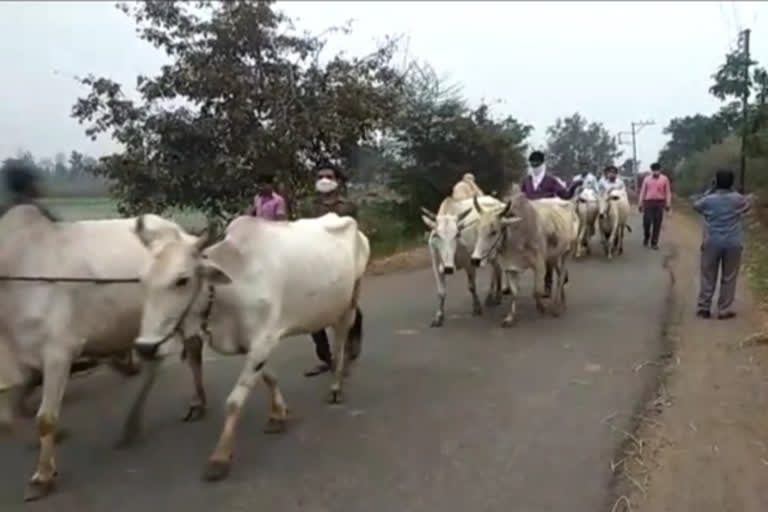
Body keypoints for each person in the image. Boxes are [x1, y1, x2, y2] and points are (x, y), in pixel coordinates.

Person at [298, 162, 360, 377]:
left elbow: (354, 235)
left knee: (348, 306)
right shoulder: (308, 207)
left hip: (342, 263)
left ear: (337, 180)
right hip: (314, 264)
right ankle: (326, 358)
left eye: (328, 176)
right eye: (320, 176)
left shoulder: (348, 207)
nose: (324, 180)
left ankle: (349, 348)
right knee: (314, 313)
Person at [519, 150, 581, 296]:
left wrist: (572, 187)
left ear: (542, 164)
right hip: (531, 216)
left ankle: (548, 284)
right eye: (532, 164)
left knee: (547, 253)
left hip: (547, 215)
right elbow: (521, 197)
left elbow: (565, 195)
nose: (534, 166)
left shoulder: (550, 180)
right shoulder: (526, 181)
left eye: (537, 164)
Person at [692, 169, 752, 319]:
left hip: (712, 241)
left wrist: (710, 190)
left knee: (707, 275)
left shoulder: (708, 200)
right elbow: (748, 205)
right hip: (733, 242)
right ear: (732, 183)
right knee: (729, 276)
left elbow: (696, 205)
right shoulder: (738, 199)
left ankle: (704, 307)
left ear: (716, 182)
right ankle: (724, 309)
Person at [638, 163, 672, 249]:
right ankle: (646, 236)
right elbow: (642, 191)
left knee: (657, 223)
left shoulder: (664, 179)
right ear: (652, 170)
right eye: (654, 170)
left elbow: (667, 192)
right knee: (647, 222)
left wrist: (668, 203)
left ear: (660, 170)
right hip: (648, 202)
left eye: (657, 170)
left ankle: (654, 242)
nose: (656, 172)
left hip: (659, 203)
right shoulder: (647, 179)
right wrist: (640, 203)